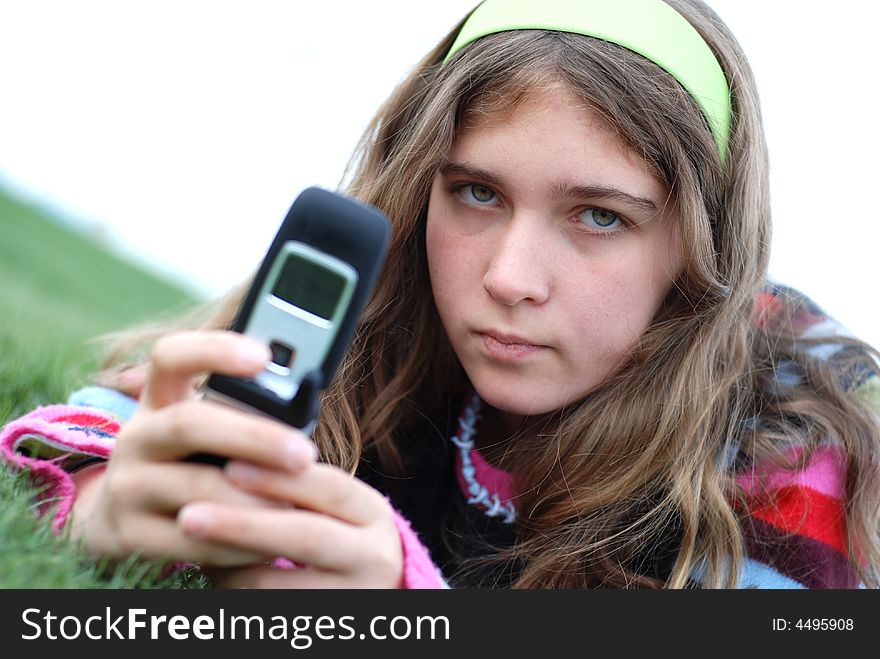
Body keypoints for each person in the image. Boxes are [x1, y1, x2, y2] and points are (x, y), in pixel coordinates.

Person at [2, 0, 878, 589]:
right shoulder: (384, 297)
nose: (508, 277)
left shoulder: (795, 451)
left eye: (600, 217)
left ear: (701, 247)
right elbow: (81, 433)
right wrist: (110, 494)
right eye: (477, 193)